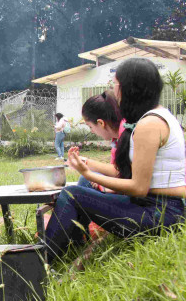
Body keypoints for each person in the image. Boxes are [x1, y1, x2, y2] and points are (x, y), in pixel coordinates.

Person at [45, 58, 186, 260]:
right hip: (153, 206)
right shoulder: (153, 117)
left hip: (160, 214)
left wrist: (87, 173)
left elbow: (138, 187)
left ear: (129, 88)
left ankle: (40, 264)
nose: (113, 90)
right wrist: (89, 168)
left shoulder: (149, 124)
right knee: (80, 191)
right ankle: (68, 250)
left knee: (73, 194)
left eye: (115, 84)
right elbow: (126, 172)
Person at [75, 91, 124, 192]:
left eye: (90, 127)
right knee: (86, 180)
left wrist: (86, 163)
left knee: (84, 180)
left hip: (139, 200)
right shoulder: (117, 140)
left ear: (101, 123)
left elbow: (121, 172)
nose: (92, 131)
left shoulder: (126, 133)